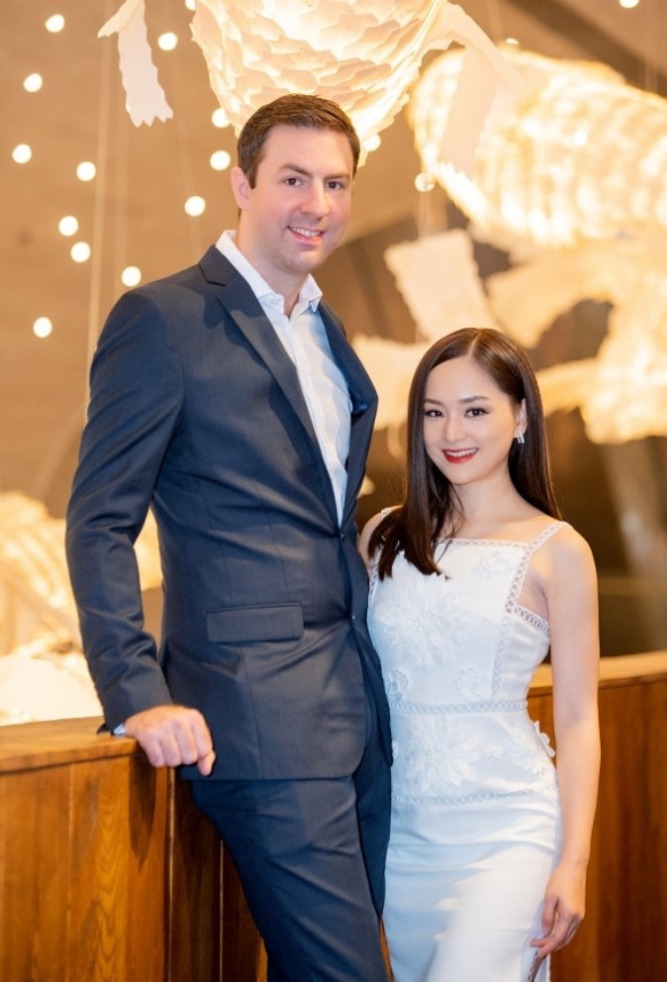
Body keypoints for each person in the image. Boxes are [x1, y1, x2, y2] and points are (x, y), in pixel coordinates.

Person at [66, 93, 391, 982]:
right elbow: (99, 519)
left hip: (355, 709)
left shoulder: (325, 329)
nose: (316, 204)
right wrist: (137, 692)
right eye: (293, 179)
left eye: (336, 183)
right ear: (242, 184)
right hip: (255, 717)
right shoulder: (163, 320)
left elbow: (317, 514)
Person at [359, 327, 600, 982]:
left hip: (508, 831)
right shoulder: (383, 536)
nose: (452, 432)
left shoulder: (558, 550)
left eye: (475, 410)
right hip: (403, 837)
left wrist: (573, 863)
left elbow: (579, 719)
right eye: (434, 412)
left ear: (520, 418)